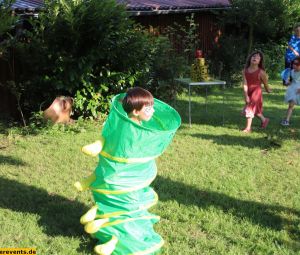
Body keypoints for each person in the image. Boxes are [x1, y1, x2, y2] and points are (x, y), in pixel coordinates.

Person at [75, 87, 181, 255]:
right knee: (119, 203)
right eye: (148, 108)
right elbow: (112, 144)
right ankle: (114, 237)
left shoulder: (141, 130)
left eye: (152, 107)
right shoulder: (124, 128)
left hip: (132, 179)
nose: (153, 111)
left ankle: (113, 234)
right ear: (135, 111)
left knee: (129, 205)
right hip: (117, 177)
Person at [241, 51, 271, 133]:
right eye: (253, 56)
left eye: (258, 57)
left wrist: (268, 90)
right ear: (250, 58)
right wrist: (246, 95)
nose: (255, 58)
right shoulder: (244, 71)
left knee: (249, 109)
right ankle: (264, 120)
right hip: (249, 92)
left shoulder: (261, 72)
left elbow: (265, 84)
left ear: (260, 61)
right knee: (256, 111)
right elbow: (245, 84)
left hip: (256, 93)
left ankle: (248, 128)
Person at [281, 57, 300, 126]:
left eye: (296, 64)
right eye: (293, 63)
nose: (294, 65)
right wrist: (287, 82)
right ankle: (287, 120)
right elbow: (289, 81)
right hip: (293, 89)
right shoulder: (291, 72)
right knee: (291, 105)